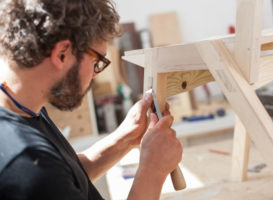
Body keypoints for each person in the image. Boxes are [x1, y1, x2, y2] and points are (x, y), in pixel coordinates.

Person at [0, 0, 183, 200]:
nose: (95, 75)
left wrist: (124, 139)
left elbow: (63, 181)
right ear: (62, 54)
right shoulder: (27, 163)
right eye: (97, 62)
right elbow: (47, 178)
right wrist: (153, 171)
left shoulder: (22, 107)